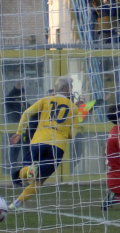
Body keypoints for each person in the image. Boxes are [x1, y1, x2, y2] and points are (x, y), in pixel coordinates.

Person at [8, 77, 78, 211]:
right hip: (57, 146)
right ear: (68, 89)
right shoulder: (74, 108)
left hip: (38, 141)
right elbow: (72, 135)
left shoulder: (45, 100)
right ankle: (16, 203)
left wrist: (19, 132)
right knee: (40, 180)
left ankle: (22, 173)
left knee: (27, 173)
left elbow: (26, 113)